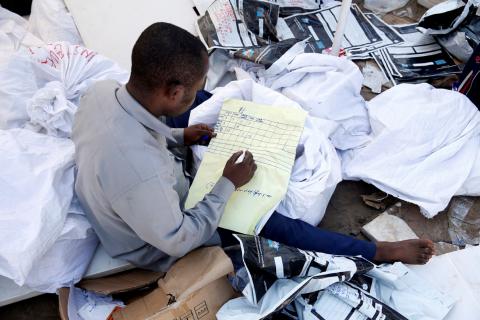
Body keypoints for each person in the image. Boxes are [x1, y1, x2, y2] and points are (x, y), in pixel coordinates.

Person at [73, 22, 434, 273]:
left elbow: (139, 133)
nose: (195, 93)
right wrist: (228, 182)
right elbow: (179, 239)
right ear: (171, 91)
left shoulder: (103, 92)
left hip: (141, 187)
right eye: (190, 89)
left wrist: (179, 137)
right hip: (153, 243)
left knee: (212, 104)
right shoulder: (141, 171)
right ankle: (377, 252)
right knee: (273, 225)